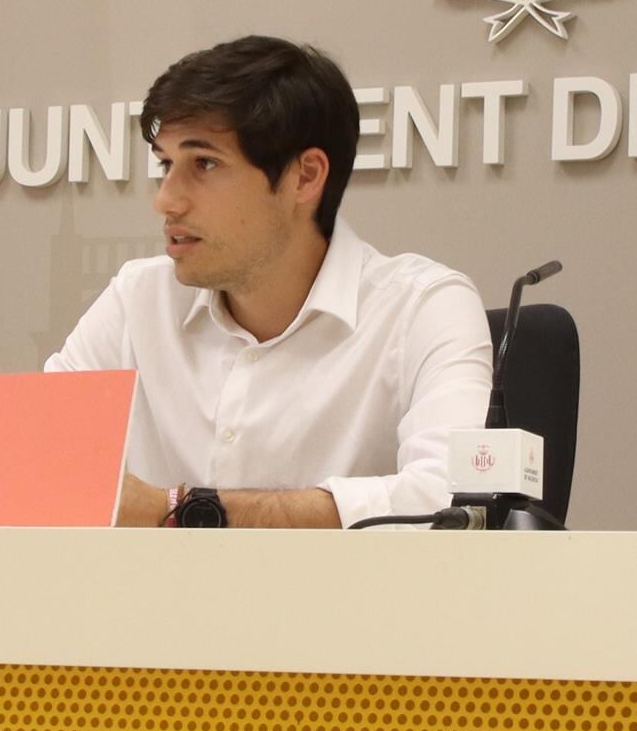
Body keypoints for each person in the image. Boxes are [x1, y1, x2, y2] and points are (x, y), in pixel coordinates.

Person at [44, 36, 491, 528]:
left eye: (205, 164)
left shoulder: (424, 307)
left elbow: (450, 503)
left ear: (305, 177)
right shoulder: (139, 299)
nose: (166, 201)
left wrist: (177, 508)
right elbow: (37, 458)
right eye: (166, 164)